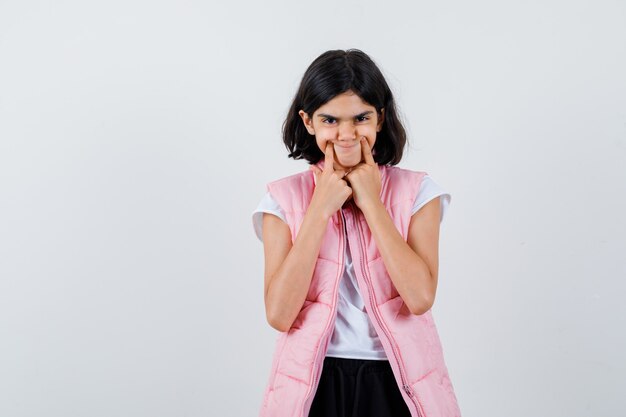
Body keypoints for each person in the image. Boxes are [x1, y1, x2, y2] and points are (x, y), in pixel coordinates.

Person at [251, 49, 462, 417]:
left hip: (398, 381)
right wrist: (319, 209)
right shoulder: (281, 200)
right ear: (309, 121)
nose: (346, 134)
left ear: (379, 118)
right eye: (330, 119)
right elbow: (280, 315)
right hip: (315, 382)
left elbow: (419, 297)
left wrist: (372, 202)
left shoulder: (419, 193)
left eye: (361, 117)